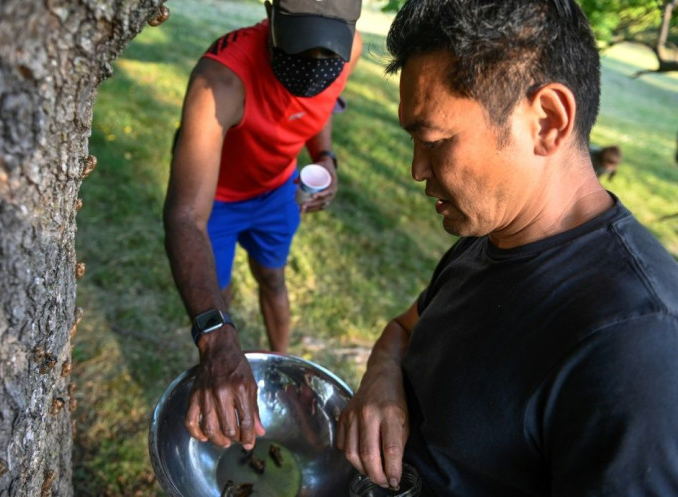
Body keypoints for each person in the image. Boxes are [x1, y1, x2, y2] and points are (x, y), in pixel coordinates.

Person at [336, 1, 678, 495]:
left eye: (433, 140)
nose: (417, 170)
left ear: (547, 121)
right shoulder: (490, 237)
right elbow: (403, 329)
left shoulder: (635, 343)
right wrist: (381, 379)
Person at [163, 0, 362, 450]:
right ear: (270, 12)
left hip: (277, 193)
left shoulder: (348, 49)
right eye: (300, 50)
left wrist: (324, 157)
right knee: (222, 298)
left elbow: (321, 104)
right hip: (216, 205)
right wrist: (215, 336)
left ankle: (284, 366)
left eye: (326, 55)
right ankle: (219, 388)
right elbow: (184, 216)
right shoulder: (220, 80)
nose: (315, 67)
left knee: (273, 278)